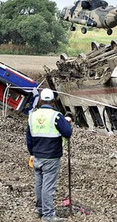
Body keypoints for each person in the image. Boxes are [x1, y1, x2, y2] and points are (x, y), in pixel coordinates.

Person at [26, 88, 72, 221]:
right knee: (48, 187)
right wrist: (66, 122)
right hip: (51, 157)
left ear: (40, 100)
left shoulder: (32, 115)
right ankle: (48, 215)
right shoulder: (56, 116)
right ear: (53, 101)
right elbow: (67, 133)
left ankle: (39, 210)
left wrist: (32, 153)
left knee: (39, 184)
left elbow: (28, 137)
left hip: (37, 156)